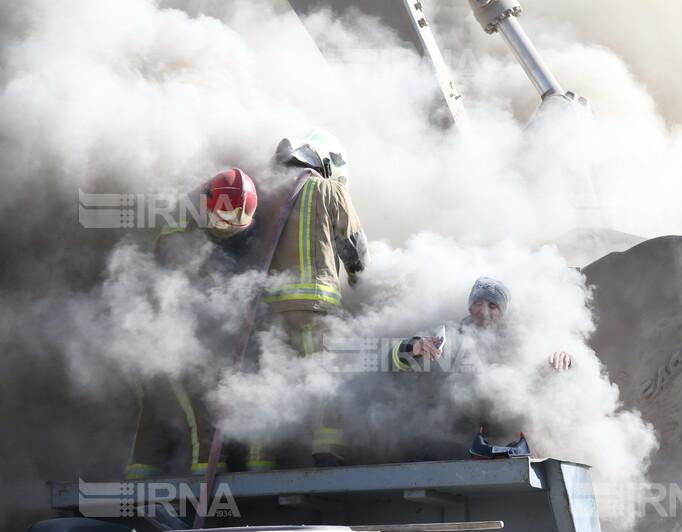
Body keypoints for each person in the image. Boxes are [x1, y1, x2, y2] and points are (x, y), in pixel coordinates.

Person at [245, 128, 370, 471]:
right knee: (327, 377)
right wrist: (361, 284)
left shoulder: (266, 196)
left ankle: (260, 458)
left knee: (272, 381)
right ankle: (327, 453)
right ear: (327, 162)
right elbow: (354, 249)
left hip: (271, 312)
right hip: (315, 305)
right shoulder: (328, 189)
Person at [125, 168, 259, 479]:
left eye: (237, 224)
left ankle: (141, 475)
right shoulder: (181, 236)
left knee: (156, 412)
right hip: (169, 336)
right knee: (203, 404)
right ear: (204, 204)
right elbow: (189, 288)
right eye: (223, 219)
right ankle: (206, 476)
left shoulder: (204, 233)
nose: (228, 229)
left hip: (158, 335)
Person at [389, 276, 570, 461]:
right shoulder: (448, 338)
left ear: (502, 311)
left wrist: (565, 359)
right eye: (479, 303)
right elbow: (392, 365)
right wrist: (412, 348)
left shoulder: (516, 343)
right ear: (470, 306)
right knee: (431, 453)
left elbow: (540, 379)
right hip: (453, 442)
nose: (484, 311)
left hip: (502, 446)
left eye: (492, 306)